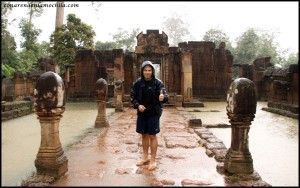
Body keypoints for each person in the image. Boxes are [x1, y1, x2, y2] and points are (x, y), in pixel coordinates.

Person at [130, 60, 168, 170]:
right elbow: (133, 97)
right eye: (145, 70)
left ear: (152, 71)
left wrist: (163, 97)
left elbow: (165, 95)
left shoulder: (158, 83)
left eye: (149, 70)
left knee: (152, 135)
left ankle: (153, 160)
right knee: (144, 134)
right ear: (142, 71)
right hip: (142, 112)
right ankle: (145, 157)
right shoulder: (137, 83)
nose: (147, 72)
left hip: (154, 112)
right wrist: (138, 105)